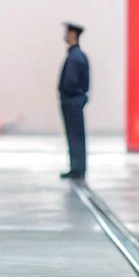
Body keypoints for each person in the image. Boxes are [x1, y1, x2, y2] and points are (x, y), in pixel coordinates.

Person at [58, 22, 90, 180]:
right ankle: (76, 167)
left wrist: (69, 96)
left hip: (72, 101)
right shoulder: (75, 55)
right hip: (73, 100)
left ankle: (77, 168)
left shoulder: (75, 57)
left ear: (72, 34)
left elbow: (71, 82)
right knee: (75, 135)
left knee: (75, 135)